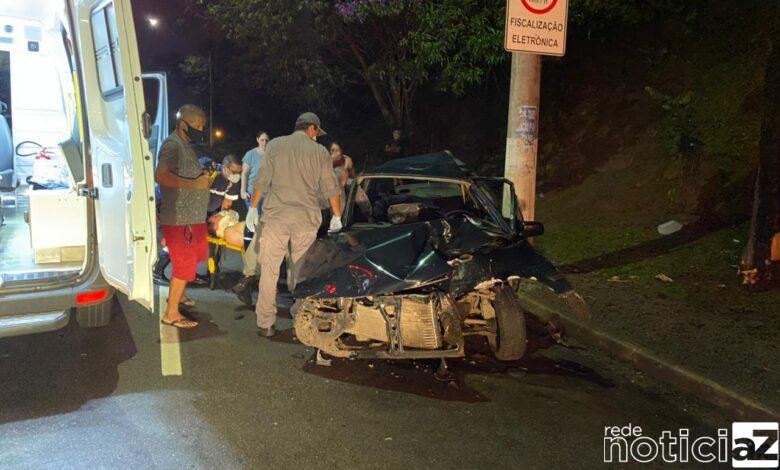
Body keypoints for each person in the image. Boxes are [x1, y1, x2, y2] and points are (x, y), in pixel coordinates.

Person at [245, 112, 342, 337]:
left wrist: (252, 207)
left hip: (276, 217)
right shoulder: (319, 152)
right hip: (305, 219)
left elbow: (262, 179)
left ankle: (266, 324)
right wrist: (336, 215)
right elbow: (330, 186)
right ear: (312, 129)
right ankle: (300, 317)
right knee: (301, 271)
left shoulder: (276, 145)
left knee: (269, 270)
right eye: (317, 132)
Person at [154, 104, 212, 329]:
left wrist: (201, 177)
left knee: (195, 257)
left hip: (192, 217)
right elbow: (161, 176)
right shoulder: (172, 145)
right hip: (180, 218)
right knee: (184, 263)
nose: (201, 129)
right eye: (197, 125)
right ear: (183, 124)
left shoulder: (185, 146)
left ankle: (180, 296)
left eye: (202, 126)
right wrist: (195, 183)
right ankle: (171, 313)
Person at [234, 132, 269, 304]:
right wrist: (243, 191)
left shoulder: (271, 154)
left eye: (266, 140)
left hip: (268, 196)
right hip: (255, 194)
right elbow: (245, 174)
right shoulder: (251, 154)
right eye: (262, 139)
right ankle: (250, 278)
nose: (264, 142)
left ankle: (249, 279)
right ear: (257, 140)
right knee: (256, 232)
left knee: (261, 236)